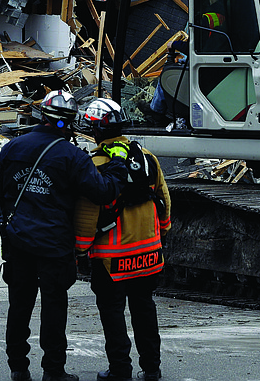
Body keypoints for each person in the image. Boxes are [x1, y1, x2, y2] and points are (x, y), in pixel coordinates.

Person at [0, 90, 128, 381]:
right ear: (69, 123)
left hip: (18, 242)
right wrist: (117, 165)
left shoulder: (13, 147)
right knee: (54, 307)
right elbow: (102, 191)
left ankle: (18, 367)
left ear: (42, 115)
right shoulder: (72, 155)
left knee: (19, 305)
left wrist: (5, 231)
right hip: (54, 244)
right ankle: (53, 370)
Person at [75, 98, 172, 381]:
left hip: (111, 261)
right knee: (145, 309)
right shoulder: (147, 158)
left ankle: (120, 370)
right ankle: (152, 369)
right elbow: (163, 199)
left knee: (112, 314)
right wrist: (161, 232)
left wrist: (80, 250)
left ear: (95, 131)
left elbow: (86, 213)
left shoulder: (95, 164)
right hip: (149, 256)